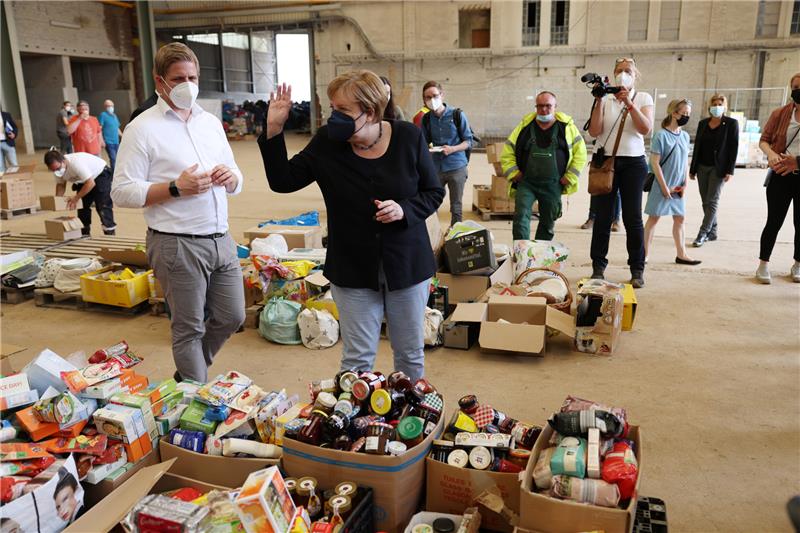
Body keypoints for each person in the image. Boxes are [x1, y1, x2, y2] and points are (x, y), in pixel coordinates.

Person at [258, 71, 444, 381]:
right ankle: (356, 422)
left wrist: (405, 209)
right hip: (352, 268)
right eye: (332, 109)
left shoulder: (408, 138)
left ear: (370, 111)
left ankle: (409, 420)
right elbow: (282, 181)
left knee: (409, 353)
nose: (334, 118)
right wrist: (274, 128)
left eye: (342, 111)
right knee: (357, 358)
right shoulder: (327, 143)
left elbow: (434, 191)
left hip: (407, 264)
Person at [112, 42, 245, 382]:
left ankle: (188, 376)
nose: (188, 84)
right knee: (188, 328)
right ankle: (197, 398)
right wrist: (174, 188)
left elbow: (235, 172)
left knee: (232, 316)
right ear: (160, 83)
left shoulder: (210, 123)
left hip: (220, 238)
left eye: (193, 77)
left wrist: (232, 179)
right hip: (177, 244)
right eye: (179, 78)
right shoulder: (142, 129)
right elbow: (122, 192)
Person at [587, 58, 654, 288]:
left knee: (632, 217)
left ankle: (637, 268)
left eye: (628, 71)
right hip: (605, 161)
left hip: (633, 163)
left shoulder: (643, 98)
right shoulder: (604, 98)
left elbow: (645, 129)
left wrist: (630, 104)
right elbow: (595, 131)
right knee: (602, 217)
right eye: (619, 71)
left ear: (635, 76)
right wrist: (598, 102)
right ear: (613, 74)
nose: (623, 74)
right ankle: (598, 266)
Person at [500, 91, 587, 240]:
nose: (544, 110)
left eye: (548, 106)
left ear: (555, 107)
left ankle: (541, 254)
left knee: (548, 221)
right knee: (521, 216)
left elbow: (581, 154)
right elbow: (508, 150)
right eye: (540, 106)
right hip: (527, 183)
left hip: (553, 184)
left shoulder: (566, 128)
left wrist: (570, 176)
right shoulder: (524, 127)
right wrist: (513, 172)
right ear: (536, 107)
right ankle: (522, 253)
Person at [643, 99, 700, 266]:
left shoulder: (684, 136)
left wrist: (684, 183)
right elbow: (654, 163)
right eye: (684, 113)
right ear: (674, 113)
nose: (687, 117)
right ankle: (644, 255)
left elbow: (683, 162)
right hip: (661, 185)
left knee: (680, 218)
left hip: (677, 187)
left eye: (689, 114)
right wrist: (663, 187)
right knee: (654, 218)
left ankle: (681, 254)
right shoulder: (660, 135)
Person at [756, 72, 800, 284]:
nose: (798, 91)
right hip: (780, 175)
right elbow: (764, 140)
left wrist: (797, 162)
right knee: (774, 220)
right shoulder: (780, 113)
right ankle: (763, 264)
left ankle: (798, 264)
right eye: (796, 87)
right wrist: (772, 155)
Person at [420, 81, 472, 226]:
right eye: (428, 97)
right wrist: (427, 151)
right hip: (436, 168)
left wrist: (452, 149)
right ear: (424, 100)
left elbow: (468, 141)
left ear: (442, 95)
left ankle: (455, 235)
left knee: (456, 206)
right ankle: (434, 236)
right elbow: (423, 142)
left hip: (456, 166)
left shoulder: (457, 115)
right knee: (432, 203)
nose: (432, 100)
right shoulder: (426, 119)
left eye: (435, 96)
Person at [689, 94, 739, 247]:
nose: (717, 106)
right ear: (709, 106)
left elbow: (733, 148)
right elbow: (697, 146)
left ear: (725, 106)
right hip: (702, 167)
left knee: (712, 201)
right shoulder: (703, 123)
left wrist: (730, 170)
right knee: (705, 202)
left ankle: (703, 233)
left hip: (719, 168)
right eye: (714, 103)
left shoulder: (731, 124)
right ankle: (713, 230)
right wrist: (693, 168)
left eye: (720, 104)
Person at [44, 149, 116, 235]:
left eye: (58, 168)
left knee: (102, 206)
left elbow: (90, 183)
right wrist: (57, 201)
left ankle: (109, 231)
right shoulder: (58, 171)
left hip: (100, 174)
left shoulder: (76, 164)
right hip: (83, 180)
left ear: (63, 161)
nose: (57, 171)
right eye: (54, 170)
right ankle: (84, 233)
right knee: (82, 206)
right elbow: (61, 185)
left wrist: (76, 198)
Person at [98, 99, 122, 171]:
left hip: (116, 141)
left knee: (118, 158)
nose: (110, 107)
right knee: (113, 158)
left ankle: (118, 173)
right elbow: (99, 128)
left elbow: (117, 128)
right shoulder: (103, 115)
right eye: (108, 106)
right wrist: (101, 140)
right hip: (108, 141)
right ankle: (113, 175)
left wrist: (123, 136)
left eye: (111, 105)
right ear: (105, 107)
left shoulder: (114, 116)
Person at [0, 107, 19, 173]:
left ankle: (14, 182)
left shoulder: (6, 115)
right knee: (0, 168)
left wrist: (14, 134)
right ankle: (3, 182)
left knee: (14, 165)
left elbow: (15, 127)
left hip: (7, 142)